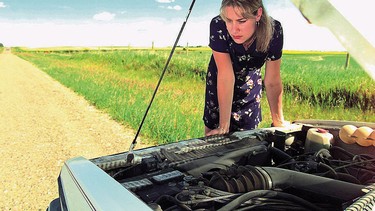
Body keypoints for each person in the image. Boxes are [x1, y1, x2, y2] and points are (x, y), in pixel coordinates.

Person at [204, 0, 288, 136]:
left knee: (247, 140)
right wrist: (223, 126)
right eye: (228, 20)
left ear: (258, 14)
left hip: (250, 87)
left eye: (241, 21)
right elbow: (225, 76)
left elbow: (272, 80)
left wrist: (278, 121)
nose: (233, 29)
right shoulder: (218, 25)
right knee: (215, 140)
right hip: (220, 83)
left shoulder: (274, 30)